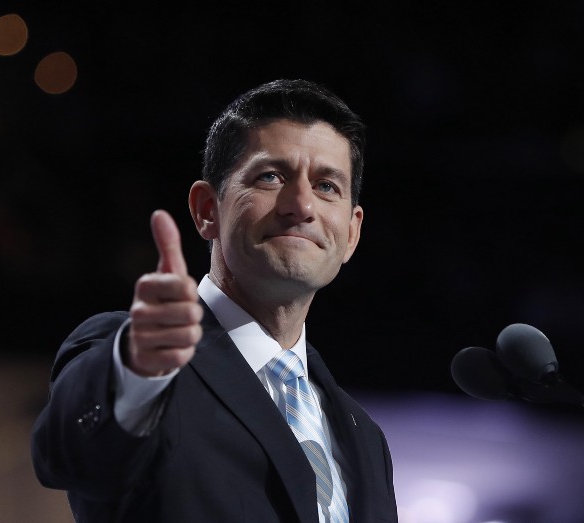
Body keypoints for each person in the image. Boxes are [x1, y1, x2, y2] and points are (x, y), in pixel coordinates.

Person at [31, 79, 398, 522]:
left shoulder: (367, 440)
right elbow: (68, 455)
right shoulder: (143, 362)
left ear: (352, 233)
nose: (301, 205)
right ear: (208, 210)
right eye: (270, 176)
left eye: (326, 186)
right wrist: (134, 374)